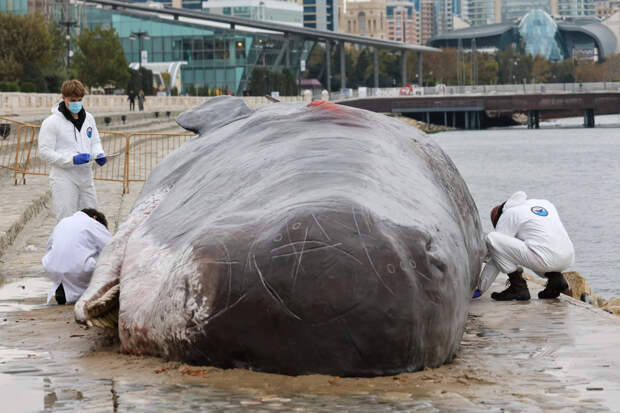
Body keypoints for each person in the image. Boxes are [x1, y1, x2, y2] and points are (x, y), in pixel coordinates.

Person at [475, 191, 575, 301]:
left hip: (545, 259)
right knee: (539, 244)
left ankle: (518, 287)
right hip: (568, 257)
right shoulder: (543, 203)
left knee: (492, 239)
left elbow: (496, 252)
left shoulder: (508, 215)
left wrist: (481, 288)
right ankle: (556, 280)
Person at [38, 79, 107, 221]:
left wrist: (99, 153)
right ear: (63, 98)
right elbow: (44, 152)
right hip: (64, 177)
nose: (76, 103)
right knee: (66, 218)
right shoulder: (51, 122)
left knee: (92, 217)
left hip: (86, 176)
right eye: (73, 100)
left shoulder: (89, 118)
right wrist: (71, 160)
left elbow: (94, 141)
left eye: (80, 100)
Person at [43, 208, 112, 305]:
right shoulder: (92, 223)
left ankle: (64, 289)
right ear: (95, 218)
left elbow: (49, 246)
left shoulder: (63, 222)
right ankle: (87, 291)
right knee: (108, 258)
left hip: (53, 269)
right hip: (79, 270)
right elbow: (112, 246)